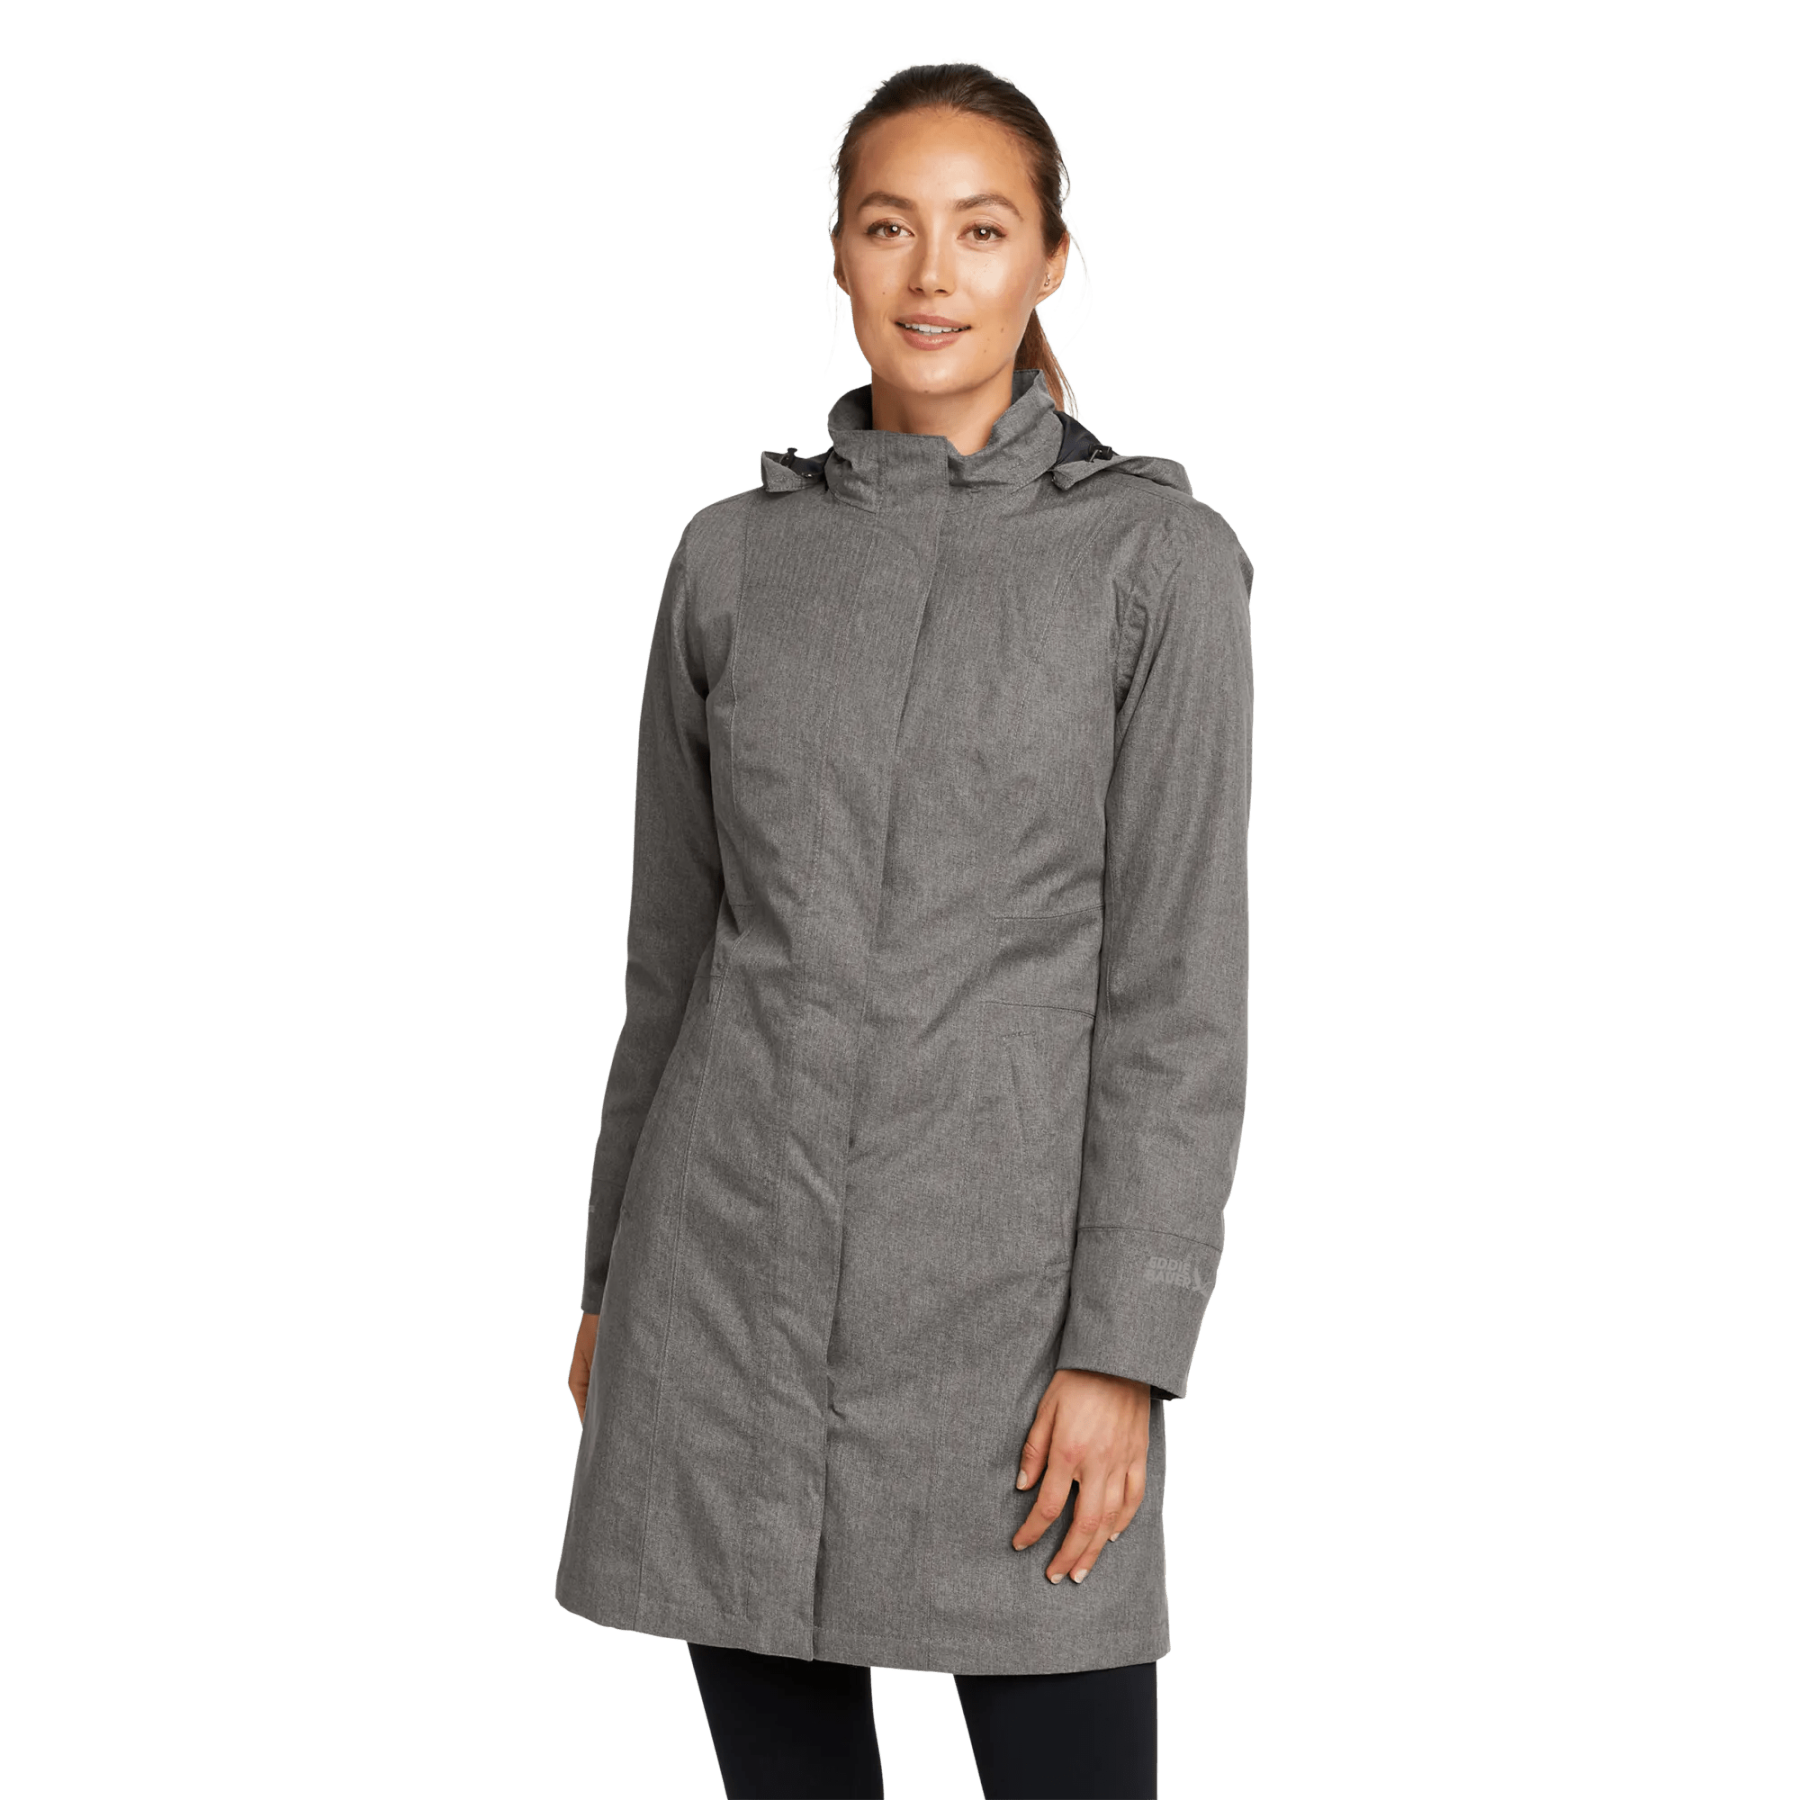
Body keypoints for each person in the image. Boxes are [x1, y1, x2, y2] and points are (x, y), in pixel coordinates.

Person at [554, 57, 1254, 1800]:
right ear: (839, 259)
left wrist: (1125, 1353)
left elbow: (1177, 996)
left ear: (1052, 262)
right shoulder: (727, 559)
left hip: (1011, 1323)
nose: (933, 274)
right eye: (889, 228)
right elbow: (668, 962)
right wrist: (609, 1278)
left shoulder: (1158, 564)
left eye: (982, 229)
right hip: (721, 1298)